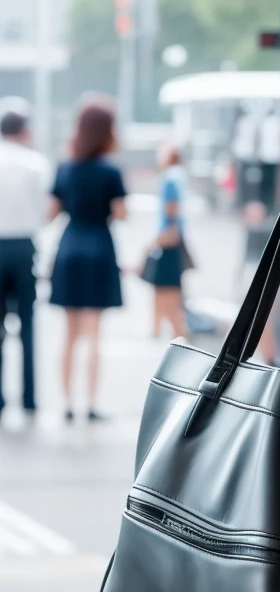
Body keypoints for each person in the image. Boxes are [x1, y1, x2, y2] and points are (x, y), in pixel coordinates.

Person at [48, 96, 126, 423]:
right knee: (94, 333)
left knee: (68, 333)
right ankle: (90, 405)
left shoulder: (65, 167)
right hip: (99, 247)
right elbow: (121, 214)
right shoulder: (110, 170)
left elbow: (50, 212)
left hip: (69, 248)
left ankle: (67, 405)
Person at [0, 100, 49, 419]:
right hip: (24, 248)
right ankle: (30, 397)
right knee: (29, 324)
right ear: (25, 130)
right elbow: (44, 212)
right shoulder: (36, 164)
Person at [143, 141, 189, 338]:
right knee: (164, 289)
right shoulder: (180, 176)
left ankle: (179, 333)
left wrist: (155, 241)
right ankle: (158, 329)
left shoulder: (169, 179)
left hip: (168, 240)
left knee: (166, 290)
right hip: (174, 239)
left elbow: (171, 210)